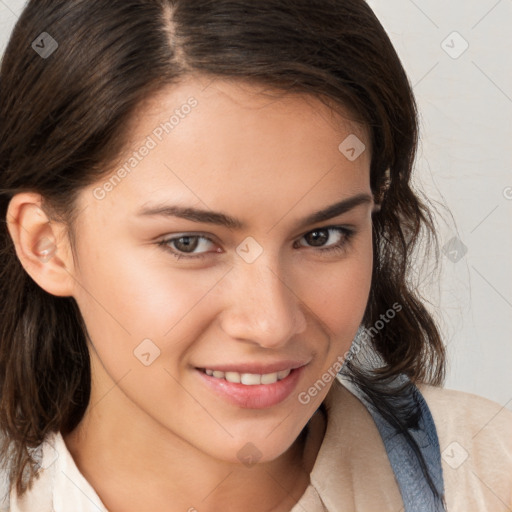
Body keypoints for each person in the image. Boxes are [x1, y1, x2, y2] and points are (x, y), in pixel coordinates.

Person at [0, 1, 510, 511]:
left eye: (322, 236)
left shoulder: (490, 474)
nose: (271, 324)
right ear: (46, 244)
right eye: (189, 243)